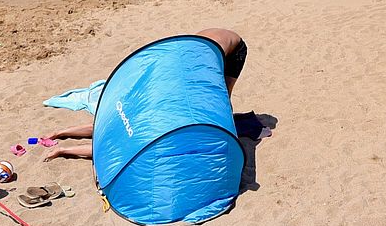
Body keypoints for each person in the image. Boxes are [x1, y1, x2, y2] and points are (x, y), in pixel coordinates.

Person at [44, 28, 248, 159]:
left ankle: (227, 125)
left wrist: (64, 149)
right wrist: (61, 135)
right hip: (197, 47)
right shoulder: (138, 112)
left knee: (222, 99)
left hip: (231, 48)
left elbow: (104, 148)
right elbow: (97, 133)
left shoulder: (150, 113)